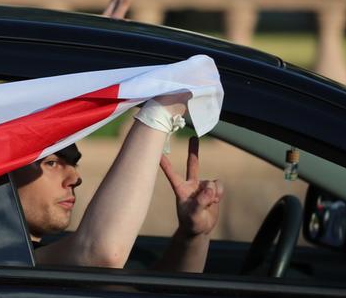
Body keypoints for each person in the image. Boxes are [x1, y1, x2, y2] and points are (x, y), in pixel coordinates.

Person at [13, 94, 224, 273]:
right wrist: (160, 113)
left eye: (73, 164)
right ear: (4, 175)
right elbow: (100, 254)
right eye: (51, 163)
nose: (75, 178)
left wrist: (191, 236)